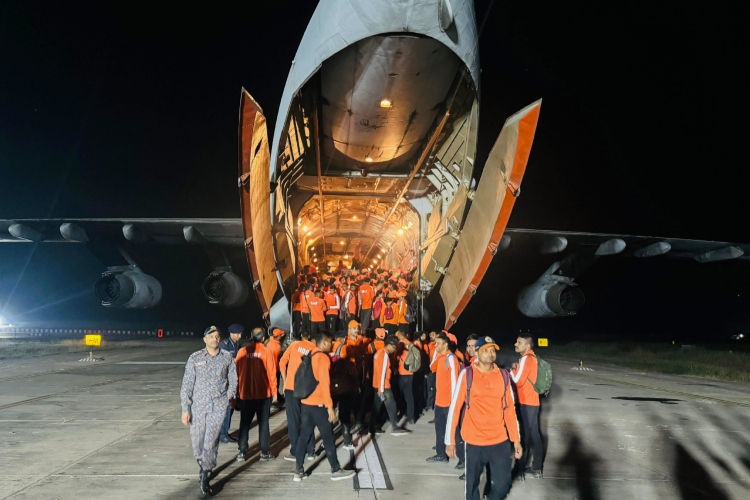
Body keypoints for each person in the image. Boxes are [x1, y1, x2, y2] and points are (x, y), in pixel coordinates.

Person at [446, 336, 522, 500]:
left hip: (499, 441)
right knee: (471, 486)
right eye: (485, 350)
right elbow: (455, 408)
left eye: (492, 350)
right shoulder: (467, 375)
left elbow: (510, 410)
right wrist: (450, 440)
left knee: (503, 485)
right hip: (474, 441)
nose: (490, 353)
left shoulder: (503, 376)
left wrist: (516, 440)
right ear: (477, 353)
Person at [180, 326, 238, 496]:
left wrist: (229, 396)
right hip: (198, 407)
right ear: (205, 339)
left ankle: (206, 474)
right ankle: (203, 465)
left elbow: (233, 379)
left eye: (217, 336)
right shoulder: (195, 358)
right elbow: (187, 385)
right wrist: (186, 409)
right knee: (197, 444)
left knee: (210, 442)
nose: (215, 339)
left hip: (218, 407)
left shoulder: (227, 357)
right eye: (211, 336)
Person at [294, 331, 356, 482]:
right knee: (328, 438)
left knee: (304, 436)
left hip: (306, 403)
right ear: (322, 343)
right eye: (328, 341)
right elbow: (324, 384)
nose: (331, 344)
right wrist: (330, 407)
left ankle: (298, 471)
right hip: (319, 404)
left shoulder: (309, 355)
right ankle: (335, 469)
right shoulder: (322, 358)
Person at [235, 327, 278, 462]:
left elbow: (236, 372)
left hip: (245, 394)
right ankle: (264, 452)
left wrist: (236, 392)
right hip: (263, 394)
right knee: (263, 423)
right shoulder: (266, 352)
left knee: (245, 423)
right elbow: (272, 373)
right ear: (263, 338)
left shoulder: (242, 352)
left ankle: (242, 451)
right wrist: (275, 392)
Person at [279, 330, 316, 462]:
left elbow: (282, 362)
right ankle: (311, 450)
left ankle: (295, 451)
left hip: (291, 387)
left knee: (294, 420)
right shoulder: (315, 349)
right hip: (308, 389)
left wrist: (285, 379)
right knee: (308, 419)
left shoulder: (294, 345)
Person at [511, 335, 544, 478]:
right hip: (533, 401)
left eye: (519, 342)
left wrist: (512, 370)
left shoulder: (526, 358)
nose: (516, 344)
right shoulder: (533, 358)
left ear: (528, 346)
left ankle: (520, 470)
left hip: (527, 402)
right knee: (534, 435)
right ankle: (536, 468)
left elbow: (517, 380)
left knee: (525, 436)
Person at [426, 332, 458, 463]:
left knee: (452, 429)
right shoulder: (440, 357)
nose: (436, 345)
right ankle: (441, 453)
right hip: (439, 400)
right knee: (439, 427)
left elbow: (455, 380)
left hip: (449, 401)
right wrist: (436, 353)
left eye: (438, 344)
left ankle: (458, 455)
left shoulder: (451, 358)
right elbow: (431, 367)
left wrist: (454, 400)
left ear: (446, 344)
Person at [371, 336, 409, 436]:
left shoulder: (378, 353)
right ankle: (395, 428)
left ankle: (373, 427)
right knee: (392, 406)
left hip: (377, 384)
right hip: (384, 386)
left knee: (378, 407)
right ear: (389, 345)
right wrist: (381, 388)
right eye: (394, 346)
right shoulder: (384, 355)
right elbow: (382, 372)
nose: (395, 349)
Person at [218, 323, 243, 443]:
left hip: (233, 379)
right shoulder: (225, 345)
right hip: (226, 381)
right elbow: (224, 362)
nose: (240, 335)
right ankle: (223, 434)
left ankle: (224, 432)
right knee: (227, 408)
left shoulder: (237, 344)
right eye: (238, 333)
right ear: (232, 334)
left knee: (231, 407)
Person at [395, 328, 416, 424]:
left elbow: (397, 357)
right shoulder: (410, 344)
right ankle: (411, 417)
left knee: (398, 395)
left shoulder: (400, 344)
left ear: (399, 334)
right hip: (410, 373)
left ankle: (400, 414)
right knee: (409, 396)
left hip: (402, 373)